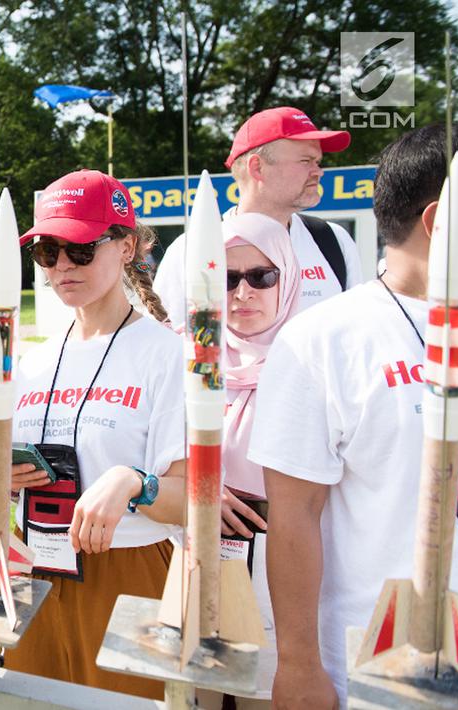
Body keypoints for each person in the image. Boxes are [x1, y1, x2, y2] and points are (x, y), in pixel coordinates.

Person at [250, 123, 458, 709]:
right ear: (440, 221)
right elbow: (294, 513)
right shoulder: (324, 340)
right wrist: (298, 665)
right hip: (384, 666)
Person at [6, 169, 186, 699]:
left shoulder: (166, 355)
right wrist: (5, 478)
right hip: (34, 565)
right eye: (47, 251)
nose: (62, 265)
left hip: (127, 570)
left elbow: (189, 501)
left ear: (126, 246)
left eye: (81, 248)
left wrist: (135, 481)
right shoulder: (32, 359)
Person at [198, 212, 301, 710]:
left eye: (262, 277)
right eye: (228, 278)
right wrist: (198, 485)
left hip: (286, 576)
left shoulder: (313, 361)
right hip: (198, 563)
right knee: (201, 691)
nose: (243, 294)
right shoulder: (188, 356)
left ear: (289, 275)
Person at [155, 106, 362, 318]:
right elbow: (165, 343)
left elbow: (356, 333)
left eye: (317, 162)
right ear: (258, 168)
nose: (318, 172)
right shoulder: (191, 250)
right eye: (305, 161)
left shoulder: (333, 240)